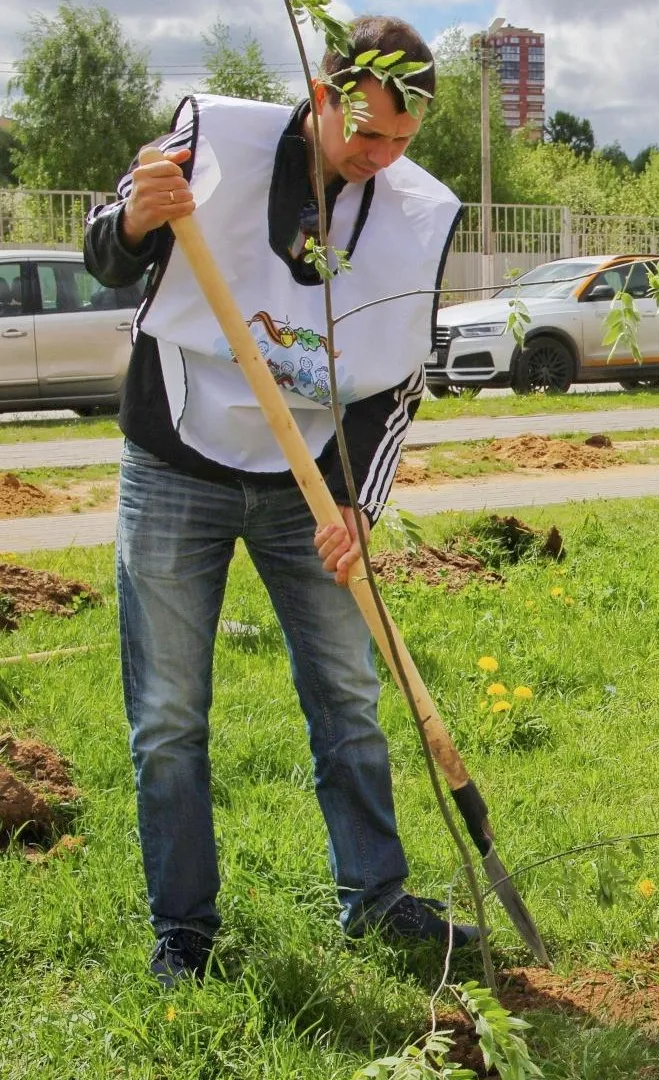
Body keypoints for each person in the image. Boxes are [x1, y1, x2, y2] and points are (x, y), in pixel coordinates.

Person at [82, 15, 469, 987]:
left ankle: (376, 899)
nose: (378, 157)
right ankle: (186, 935)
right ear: (326, 92)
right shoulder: (215, 140)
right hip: (178, 461)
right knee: (169, 712)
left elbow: (395, 387)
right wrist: (135, 214)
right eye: (365, 132)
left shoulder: (414, 214)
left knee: (347, 693)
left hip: (308, 489)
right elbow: (107, 253)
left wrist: (357, 509)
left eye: (399, 141)